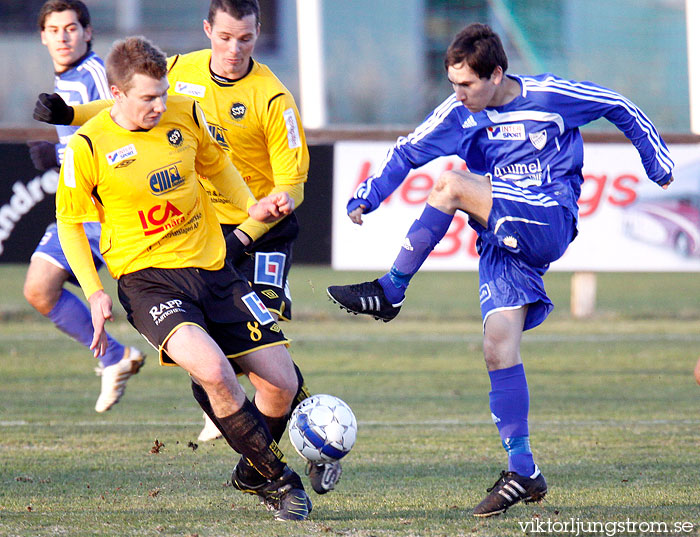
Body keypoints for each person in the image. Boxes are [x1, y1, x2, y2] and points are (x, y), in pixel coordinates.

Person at [327, 23, 674, 518]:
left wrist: (654, 159)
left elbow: (618, 104)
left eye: (467, 84)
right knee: (497, 345)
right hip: (502, 235)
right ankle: (524, 470)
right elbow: (407, 149)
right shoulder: (459, 113)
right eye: (452, 83)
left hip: (549, 214)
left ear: (496, 73)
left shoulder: (550, 94)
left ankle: (391, 288)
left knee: (449, 184)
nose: (458, 94)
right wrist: (370, 194)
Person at [33, 0, 342, 497]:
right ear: (207, 31)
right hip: (152, 276)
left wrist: (254, 213)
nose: (233, 49)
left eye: (245, 38)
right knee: (217, 370)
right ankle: (276, 473)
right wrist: (93, 291)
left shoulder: (261, 99)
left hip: (240, 241)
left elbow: (240, 172)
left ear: (259, 33)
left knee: (277, 379)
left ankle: (255, 453)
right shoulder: (110, 130)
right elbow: (73, 212)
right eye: (224, 37)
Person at [24, 0, 145, 414]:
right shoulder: (66, 77)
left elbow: (119, 133)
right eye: (54, 29)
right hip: (81, 214)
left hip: (118, 215)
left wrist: (57, 155)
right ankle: (114, 358)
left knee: (161, 308)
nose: (63, 36)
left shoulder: (96, 74)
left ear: (88, 33)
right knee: (39, 288)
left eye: (71, 28)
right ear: (43, 36)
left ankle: (219, 391)